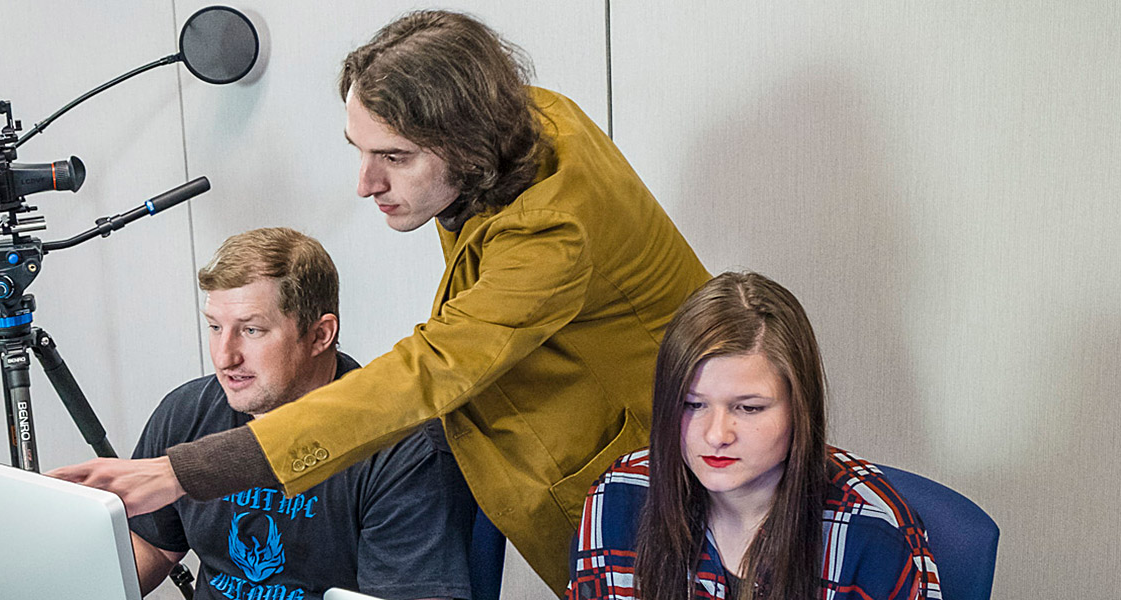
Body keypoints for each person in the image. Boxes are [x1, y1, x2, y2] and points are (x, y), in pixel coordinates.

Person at [50, 11, 708, 594]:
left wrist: (188, 470)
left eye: (392, 156)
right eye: (359, 149)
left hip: (656, 491)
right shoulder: (520, 117)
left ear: (470, 145)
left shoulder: (553, 229)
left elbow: (425, 373)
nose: (364, 183)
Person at [127, 227, 474, 600]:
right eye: (214, 327)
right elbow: (153, 544)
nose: (224, 357)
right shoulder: (185, 412)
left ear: (320, 335)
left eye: (252, 330)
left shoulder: (404, 450)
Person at [565, 272, 943, 600]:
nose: (715, 435)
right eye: (692, 405)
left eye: (748, 408)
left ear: (799, 408)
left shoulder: (873, 531)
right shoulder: (619, 495)